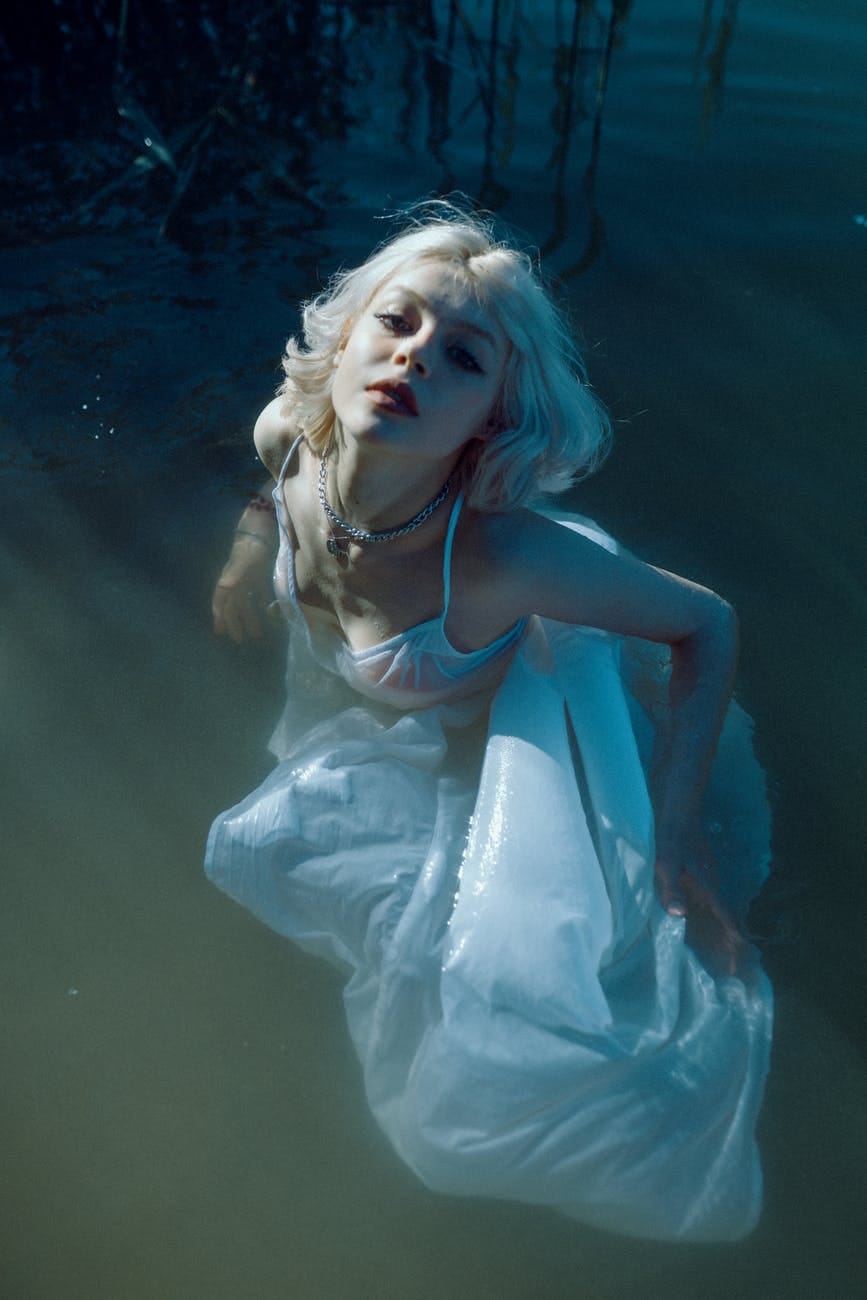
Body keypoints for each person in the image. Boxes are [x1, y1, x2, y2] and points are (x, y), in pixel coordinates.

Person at [206, 202, 773, 1242]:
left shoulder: (506, 558)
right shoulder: (292, 437)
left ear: (490, 422)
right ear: (345, 343)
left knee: (496, 1030)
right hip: (363, 701)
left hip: (510, 725)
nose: (412, 357)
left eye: (461, 357)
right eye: (398, 323)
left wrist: (678, 828)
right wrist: (249, 557)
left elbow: (708, 624)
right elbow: (263, 491)